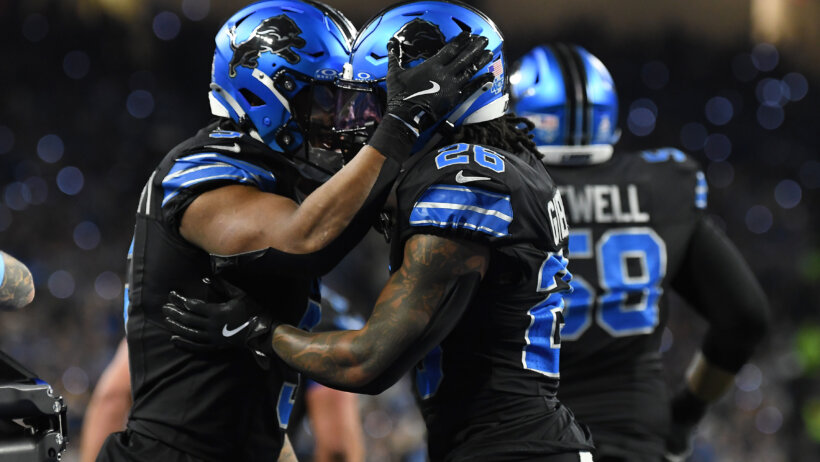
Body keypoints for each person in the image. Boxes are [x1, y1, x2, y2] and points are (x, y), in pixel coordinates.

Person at [163, 2, 595, 461]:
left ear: (436, 100)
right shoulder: (506, 165)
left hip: (514, 451)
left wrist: (260, 331)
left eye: (376, 102)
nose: (358, 122)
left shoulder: (464, 185)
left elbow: (366, 361)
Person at [96, 0, 493, 460]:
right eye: (325, 100)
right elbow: (306, 240)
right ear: (265, 91)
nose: (342, 119)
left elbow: (258, 415)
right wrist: (399, 126)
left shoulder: (275, 177)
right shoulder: (201, 170)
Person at [509, 44, 770, 462]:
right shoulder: (663, 184)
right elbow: (746, 316)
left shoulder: (498, 191)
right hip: (633, 433)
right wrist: (686, 411)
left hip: (521, 433)